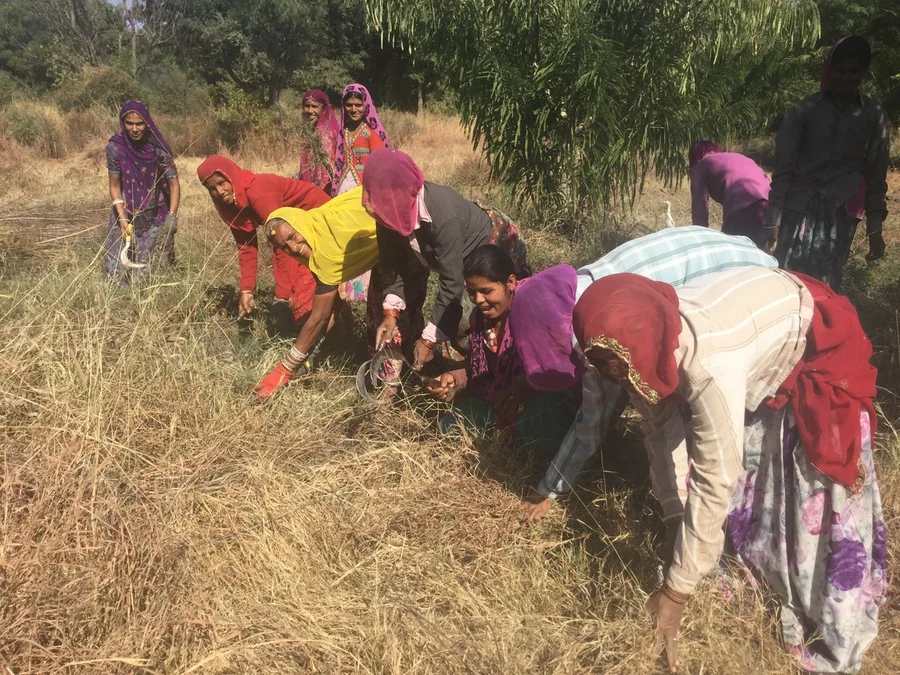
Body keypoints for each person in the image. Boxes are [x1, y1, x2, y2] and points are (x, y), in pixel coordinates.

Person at [572, 267, 884, 674]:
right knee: (751, 488)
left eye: (610, 362)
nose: (608, 373)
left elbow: (714, 476)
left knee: (809, 498)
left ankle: (828, 616)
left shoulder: (710, 365)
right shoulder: (642, 343)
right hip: (753, 329)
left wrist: (675, 595)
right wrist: (675, 518)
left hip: (809, 340)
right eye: (597, 361)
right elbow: (659, 431)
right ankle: (763, 572)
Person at [508, 226, 779, 524]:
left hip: (747, 286)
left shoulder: (599, 330)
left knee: (712, 411)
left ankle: (721, 514)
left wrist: (548, 490)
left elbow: (593, 421)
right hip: (735, 251)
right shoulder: (582, 287)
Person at [363, 148, 528, 373]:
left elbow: (452, 283)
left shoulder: (443, 214)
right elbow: (392, 264)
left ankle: (490, 371)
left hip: (489, 244)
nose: (381, 206)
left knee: (480, 315)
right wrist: (390, 315)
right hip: (444, 253)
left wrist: (429, 340)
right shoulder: (386, 213)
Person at [766, 35, 890, 290]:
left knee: (826, 286)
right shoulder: (803, 111)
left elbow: (876, 175)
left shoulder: (873, 115)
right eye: (840, 70)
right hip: (799, 208)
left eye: (854, 71)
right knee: (788, 281)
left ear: (864, 73)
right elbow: (783, 170)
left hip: (841, 213)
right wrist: (772, 220)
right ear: (829, 69)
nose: (846, 77)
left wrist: (875, 229)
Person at [427, 246, 579, 454]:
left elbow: (558, 371)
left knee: (544, 416)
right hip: (502, 403)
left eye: (486, 291)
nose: (478, 300)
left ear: (511, 283)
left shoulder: (533, 311)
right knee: (450, 425)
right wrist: (456, 378)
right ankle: (508, 440)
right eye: (471, 292)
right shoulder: (479, 320)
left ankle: (544, 457)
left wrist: (527, 386)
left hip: (540, 400)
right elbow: (485, 370)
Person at [252, 186, 380, 399]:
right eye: (284, 247)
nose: (293, 247)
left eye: (293, 236)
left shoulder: (325, 248)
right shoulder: (315, 226)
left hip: (405, 229)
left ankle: (394, 392)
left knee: (393, 318)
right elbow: (332, 302)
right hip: (385, 241)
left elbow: (320, 316)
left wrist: (285, 368)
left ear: (299, 223)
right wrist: (314, 349)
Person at [196, 155, 329, 333]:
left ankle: (321, 336)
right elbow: (246, 246)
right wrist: (247, 290)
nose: (219, 191)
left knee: (306, 284)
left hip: (315, 216)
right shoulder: (231, 204)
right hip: (293, 230)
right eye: (212, 188)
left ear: (231, 176)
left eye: (222, 183)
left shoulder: (258, 193)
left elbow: (282, 246)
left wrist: (281, 296)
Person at [104, 100, 180, 282]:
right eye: (129, 123)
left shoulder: (158, 150)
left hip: (154, 213)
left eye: (139, 124)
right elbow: (114, 186)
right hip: (125, 210)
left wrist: (171, 217)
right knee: (115, 273)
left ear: (147, 123)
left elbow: (174, 184)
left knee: (146, 274)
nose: (134, 129)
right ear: (123, 123)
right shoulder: (116, 148)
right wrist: (122, 219)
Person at [688, 140, 771, 248]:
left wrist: (700, 238)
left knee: (732, 249)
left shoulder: (701, 166)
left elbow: (699, 209)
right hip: (770, 203)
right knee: (760, 251)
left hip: (744, 206)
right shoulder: (738, 157)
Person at [331, 84, 389, 196]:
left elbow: (379, 164)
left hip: (364, 188)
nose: (353, 109)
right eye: (349, 105)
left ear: (366, 105)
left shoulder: (372, 132)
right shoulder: (343, 131)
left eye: (358, 105)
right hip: (343, 187)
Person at [299, 89, 339, 194]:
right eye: (307, 106)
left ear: (324, 109)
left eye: (314, 106)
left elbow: (325, 171)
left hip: (324, 190)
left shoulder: (327, 133)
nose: (310, 111)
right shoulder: (309, 131)